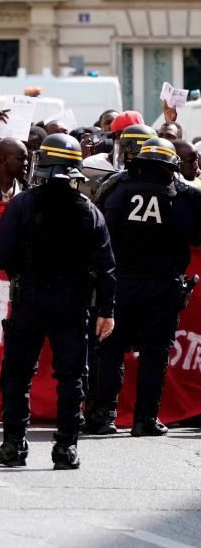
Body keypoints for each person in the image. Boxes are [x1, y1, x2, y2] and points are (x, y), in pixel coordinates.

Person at [0, 134, 116, 470]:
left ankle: (14, 445)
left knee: (17, 374)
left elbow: (2, 252)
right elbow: (105, 266)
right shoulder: (89, 211)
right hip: (72, 304)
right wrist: (106, 310)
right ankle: (65, 448)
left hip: (30, 298)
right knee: (72, 377)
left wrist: (23, 272)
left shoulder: (23, 204)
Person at [87, 138, 201, 437]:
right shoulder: (184, 195)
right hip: (162, 286)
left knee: (110, 350)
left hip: (119, 283)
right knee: (154, 354)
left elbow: (98, 228)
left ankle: (102, 417)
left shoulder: (116, 187)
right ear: (170, 167)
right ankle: (145, 419)